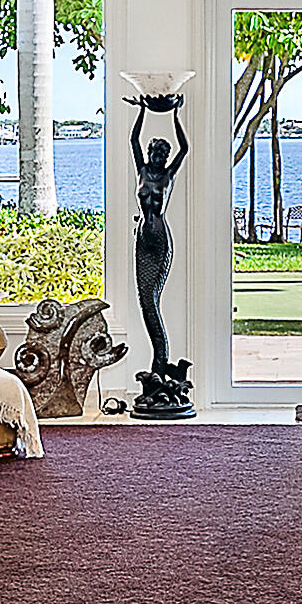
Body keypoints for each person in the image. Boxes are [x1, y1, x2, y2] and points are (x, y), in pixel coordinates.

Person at [126, 94, 195, 417]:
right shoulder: (141, 170)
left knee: (154, 299)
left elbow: (185, 149)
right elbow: (132, 139)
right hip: (142, 237)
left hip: (160, 238)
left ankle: (162, 367)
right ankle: (159, 365)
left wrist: (176, 115)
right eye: (153, 151)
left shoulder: (168, 175)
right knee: (145, 300)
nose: (154, 155)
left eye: (159, 153)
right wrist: (142, 110)